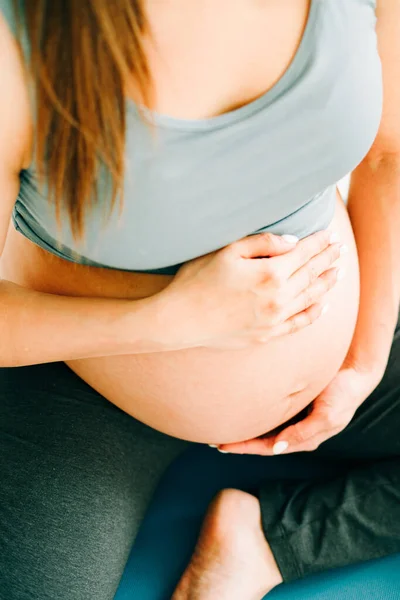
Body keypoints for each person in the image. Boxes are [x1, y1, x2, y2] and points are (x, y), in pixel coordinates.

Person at [1, 0, 400, 598]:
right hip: (87, 387)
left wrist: (362, 365)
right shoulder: (16, 47)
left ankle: (268, 541)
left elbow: (388, 155)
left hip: (339, 349)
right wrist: (167, 321)